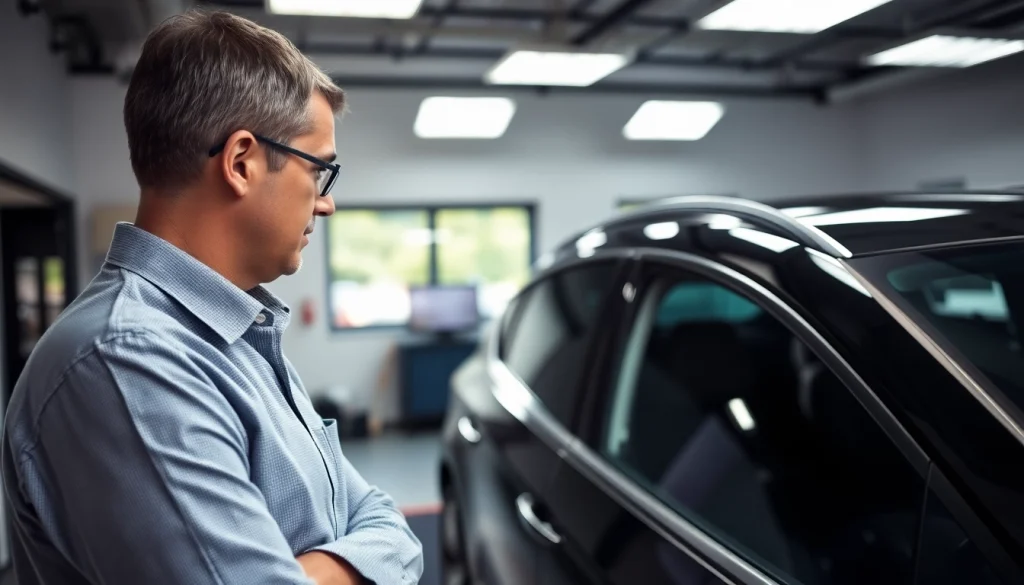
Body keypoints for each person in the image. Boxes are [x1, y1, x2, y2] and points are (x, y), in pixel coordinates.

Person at [1, 10, 423, 585]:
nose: (326, 204)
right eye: (318, 171)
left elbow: (387, 523)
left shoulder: (240, 335)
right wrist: (357, 563)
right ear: (242, 162)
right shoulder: (128, 361)